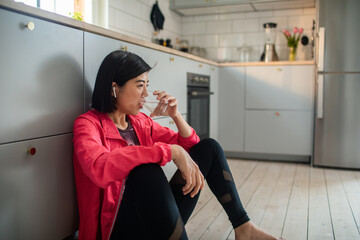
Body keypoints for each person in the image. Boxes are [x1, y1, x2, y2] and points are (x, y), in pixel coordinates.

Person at [73, 50, 280, 240]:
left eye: (147, 85)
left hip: (153, 220)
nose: (146, 93)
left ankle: (244, 228)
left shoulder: (140, 122)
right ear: (114, 88)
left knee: (210, 147)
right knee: (146, 171)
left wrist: (176, 116)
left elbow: (193, 146)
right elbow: (98, 167)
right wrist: (170, 151)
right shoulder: (88, 124)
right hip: (117, 229)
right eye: (139, 85)